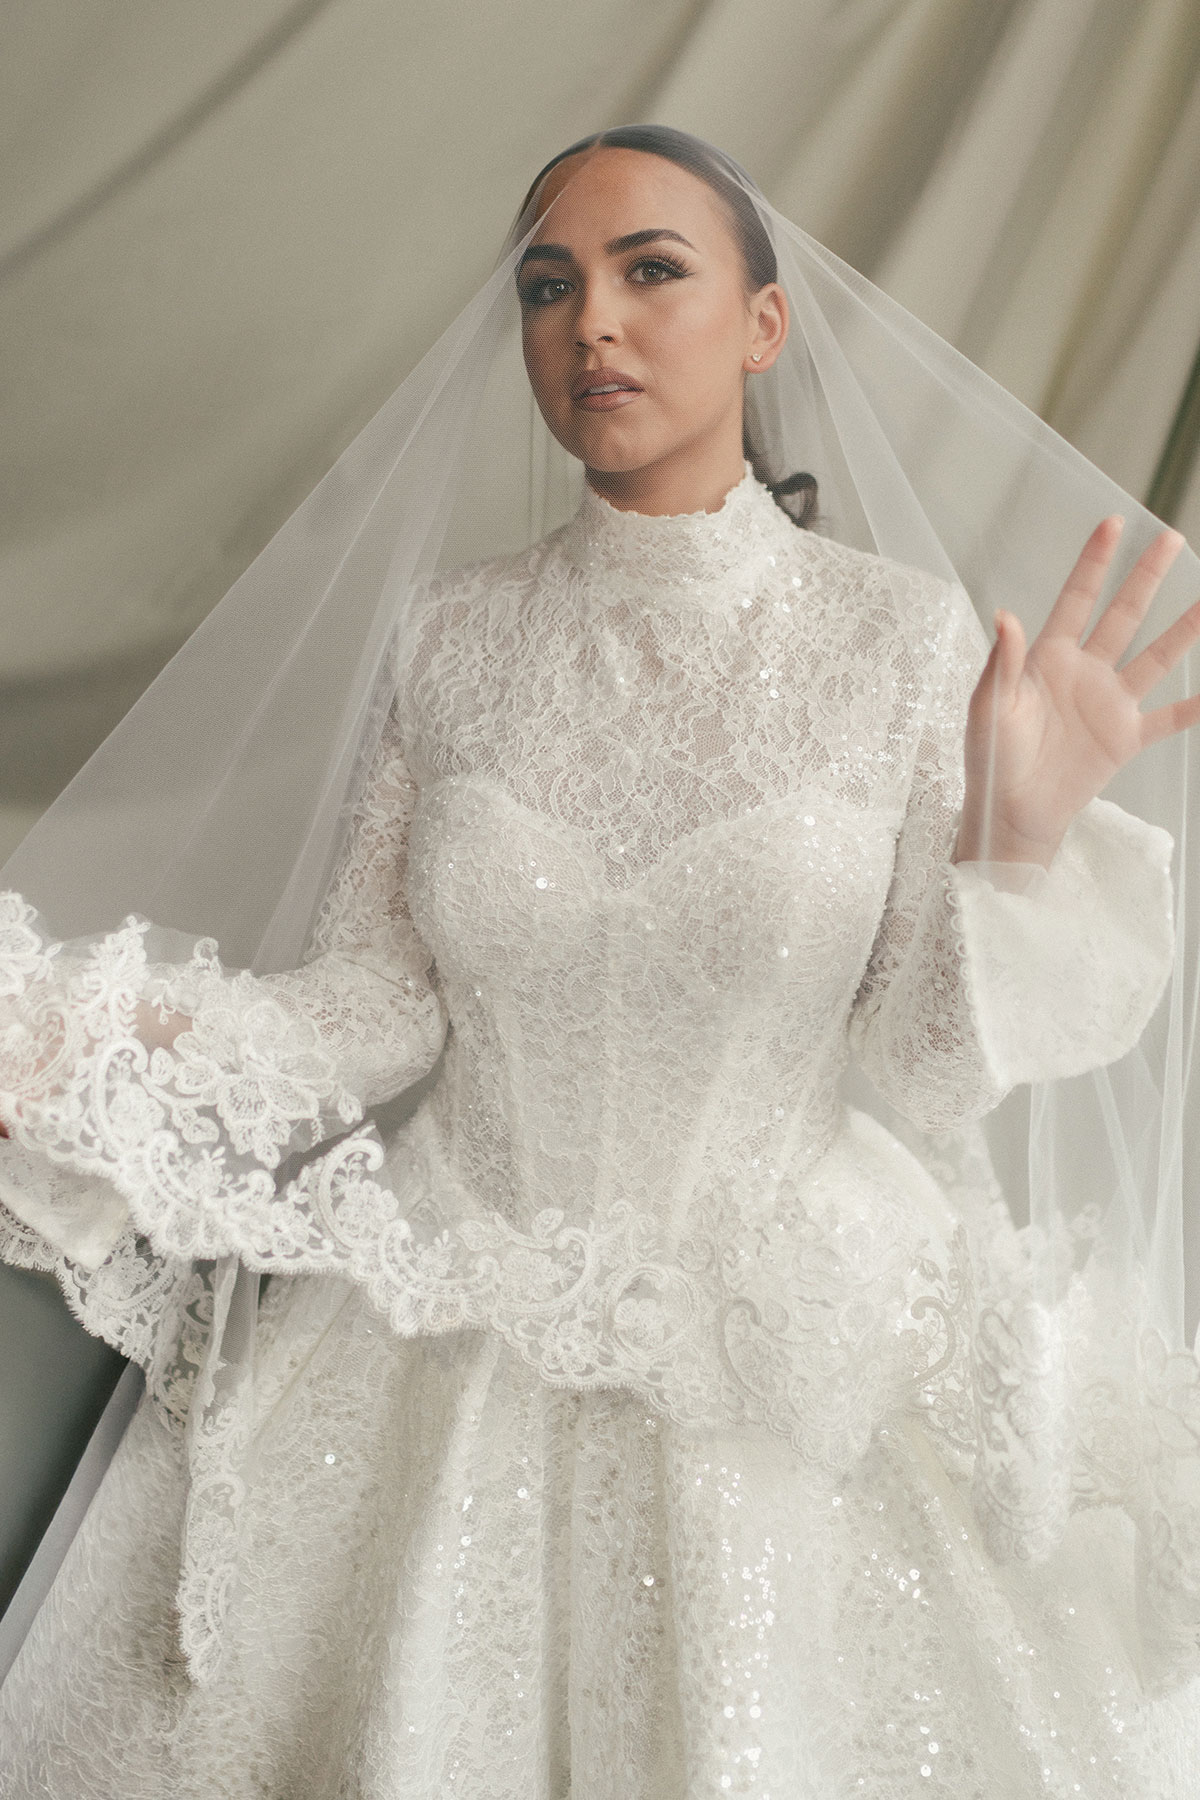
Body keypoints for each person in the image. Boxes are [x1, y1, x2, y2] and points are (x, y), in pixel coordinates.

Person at [1, 124, 1199, 1797]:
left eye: (652, 273)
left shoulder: (896, 640)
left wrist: (1009, 841)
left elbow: (927, 1076)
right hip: (444, 1317)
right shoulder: (450, 637)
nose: (593, 327)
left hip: (779, 1357)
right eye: (551, 286)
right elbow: (374, 1002)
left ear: (763, 328)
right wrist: (93, 1042)